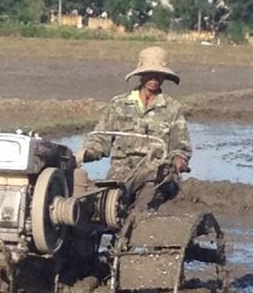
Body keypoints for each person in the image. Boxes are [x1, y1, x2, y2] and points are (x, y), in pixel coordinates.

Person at [77, 46, 191, 203]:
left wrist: (179, 160)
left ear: (164, 76)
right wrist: (83, 154)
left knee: (148, 201)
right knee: (99, 205)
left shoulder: (173, 109)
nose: (154, 78)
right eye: (149, 73)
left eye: (158, 74)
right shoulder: (119, 104)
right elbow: (100, 141)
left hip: (156, 177)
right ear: (141, 75)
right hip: (120, 176)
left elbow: (180, 147)